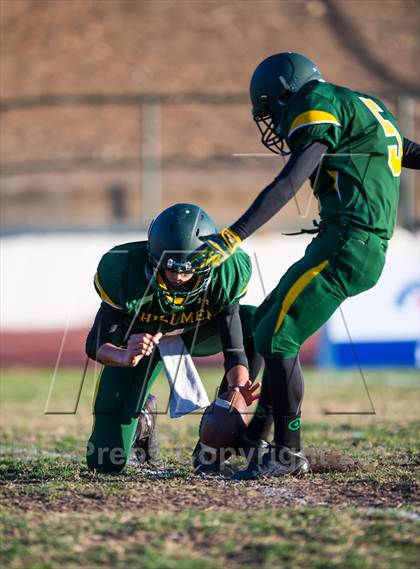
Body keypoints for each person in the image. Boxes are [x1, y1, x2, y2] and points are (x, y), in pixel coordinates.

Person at [189, 52, 420, 479]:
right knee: (265, 326)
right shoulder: (364, 105)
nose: (272, 122)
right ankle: (257, 441)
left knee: (278, 337)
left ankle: (286, 453)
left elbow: (291, 180)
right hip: (344, 239)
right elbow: (407, 150)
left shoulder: (315, 102)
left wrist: (233, 235)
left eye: (268, 110)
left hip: (349, 241)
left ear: (283, 94)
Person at [85, 203, 268, 475]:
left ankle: (211, 445)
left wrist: (237, 388)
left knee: (258, 322)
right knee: (105, 460)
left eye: (189, 269)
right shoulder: (123, 268)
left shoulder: (227, 271)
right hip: (138, 345)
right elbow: (96, 344)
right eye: (171, 269)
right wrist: (124, 354)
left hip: (196, 333)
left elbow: (234, 345)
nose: (179, 277)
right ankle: (144, 419)